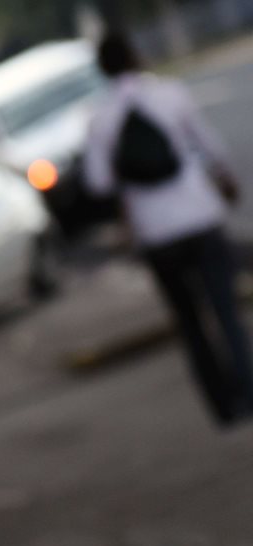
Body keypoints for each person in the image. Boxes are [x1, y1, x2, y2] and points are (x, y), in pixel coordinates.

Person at [85, 31, 253, 425]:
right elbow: (211, 145)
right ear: (135, 55)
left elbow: (98, 183)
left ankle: (223, 408)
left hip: (155, 232)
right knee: (226, 311)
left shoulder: (100, 117)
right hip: (198, 215)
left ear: (102, 70)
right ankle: (249, 391)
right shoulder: (170, 93)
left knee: (190, 323)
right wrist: (223, 177)